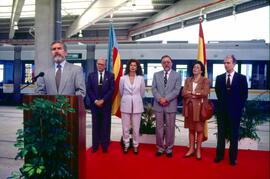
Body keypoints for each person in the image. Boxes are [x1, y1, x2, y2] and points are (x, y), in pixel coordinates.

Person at [214, 55, 248, 166]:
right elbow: (219, 94)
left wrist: (238, 108)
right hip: (222, 111)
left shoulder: (242, 78)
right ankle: (219, 156)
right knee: (221, 135)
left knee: (234, 135)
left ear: (234, 64)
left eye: (228, 63)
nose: (225, 65)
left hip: (235, 112)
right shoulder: (219, 78)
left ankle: (233, 158)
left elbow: (244, 95)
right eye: (224, 63)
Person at [152, 55, 181, 157]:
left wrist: (166, 99)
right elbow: (154, 89)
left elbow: (177, 90)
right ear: (161, 64)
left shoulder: (177, 75)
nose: (166, 64)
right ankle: (160, 148)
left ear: (171, 63)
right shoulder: (156, 75)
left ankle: (169, 148)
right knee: (159, 128)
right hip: (158, 105)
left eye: (168, 62)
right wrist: (160, 99)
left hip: (170, 105)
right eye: (164, 62)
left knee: (170, 128)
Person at [182, 61, 210, 160]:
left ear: (201, 70)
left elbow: (205, 92)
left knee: (199, 130)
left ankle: (198, 149)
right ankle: (191, 149)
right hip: (189, 108)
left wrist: (193, 93)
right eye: (194, 67)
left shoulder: (205, 80)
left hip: (200, 108)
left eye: (197, 67)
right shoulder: (188, 80)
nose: (195, 69)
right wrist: (195, 94)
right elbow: (183, 93)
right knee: (191, 129)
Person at [87, 57, 115, 153]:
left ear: (105, 65)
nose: (100, 66)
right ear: (96, 64)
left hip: (106, 105)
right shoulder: (91, 75)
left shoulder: (110, 75)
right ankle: (95, 146)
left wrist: (103, 100)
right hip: (95, 106)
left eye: (102, 64)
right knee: (95, 125)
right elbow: (89, 89)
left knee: (105, 126)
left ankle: (105, 145)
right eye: (98, 64)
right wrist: (95, 100)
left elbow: (111, 90)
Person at [119, 59, 145, 154]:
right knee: (125, 127)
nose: (133, 67)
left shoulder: (141, 79)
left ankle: (135, 145)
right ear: (128, 67)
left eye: (135, 65)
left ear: (137, 67)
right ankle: (126, 144)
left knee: (136, 127)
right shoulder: (123, 78)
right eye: (131, 65)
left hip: (137, 105)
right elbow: (121, 92)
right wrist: (128, 99)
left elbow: (142, 93)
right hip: (126, 104)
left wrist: (135, 99)